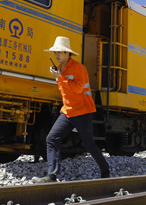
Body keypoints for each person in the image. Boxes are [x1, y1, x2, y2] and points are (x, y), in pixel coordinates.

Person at [32, 36, 110, 183]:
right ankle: (52, 175)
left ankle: (105, 170)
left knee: (89, 144)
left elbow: (78, 88)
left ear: (68, 53)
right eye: (55, 53)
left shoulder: (78, 68)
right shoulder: (61, 69)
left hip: (82, 111)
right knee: (52, 138)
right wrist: (59, 75)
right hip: (68, 111)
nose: (56, 55)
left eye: (59, 52)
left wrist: (59, 77)